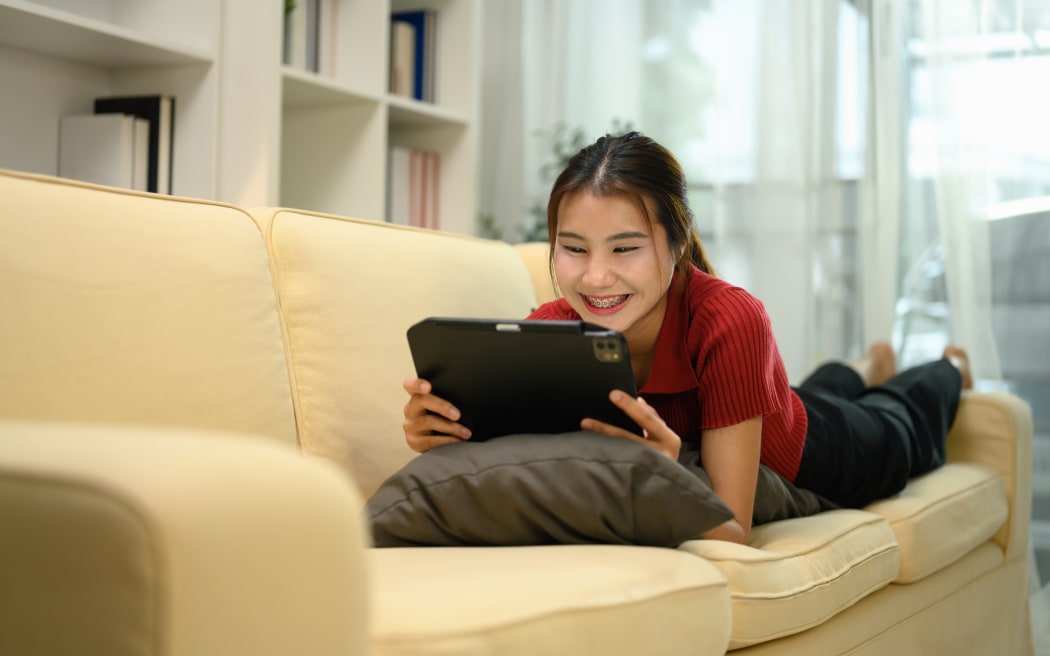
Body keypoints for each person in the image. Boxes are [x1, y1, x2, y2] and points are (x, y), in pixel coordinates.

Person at [402, 131, 972, 545]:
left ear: (675, 247)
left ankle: (947, 367)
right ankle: (860, 365)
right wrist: (444, 430)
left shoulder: (729, 319)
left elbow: (731, 530)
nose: (596, 277)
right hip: (778, 405)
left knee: (902, 417)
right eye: (574, 248)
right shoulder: (548, 330)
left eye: (624, 248)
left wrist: (667, 477)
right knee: (811, 389)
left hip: (821, 448)